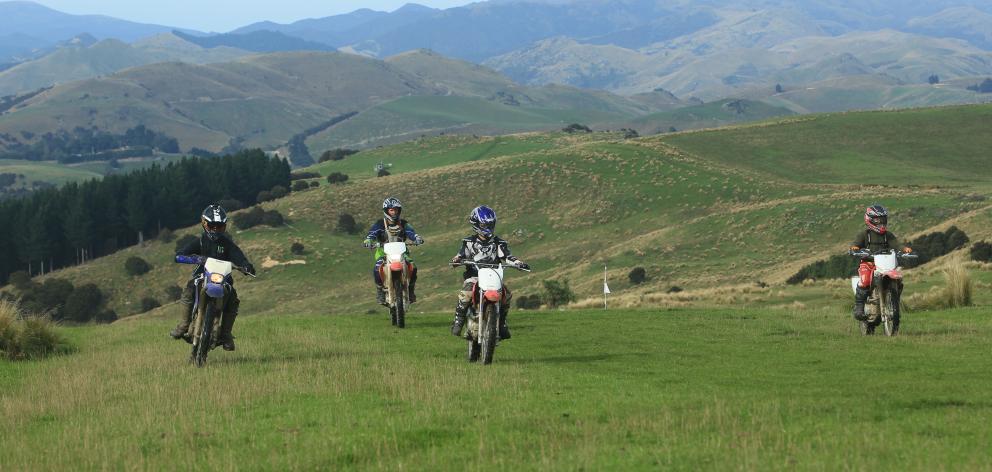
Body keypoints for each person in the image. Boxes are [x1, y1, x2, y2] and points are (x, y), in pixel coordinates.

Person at [170, 204, 255, 351]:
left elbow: (240, 258)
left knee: (233, 301)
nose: (216, 229)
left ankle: (226, 334)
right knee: (188, 292)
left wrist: (246, 266)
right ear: (204, 223)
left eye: (220, 226)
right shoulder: (201, 241)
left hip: (224, 280)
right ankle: (184, 324)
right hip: (201, 276)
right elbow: (180, 255)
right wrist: (195, 259)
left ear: (225, 226)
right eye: (212, 225)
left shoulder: (228, 244)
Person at [449, 205, 529, 339]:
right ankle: (459, 320)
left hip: (493, 276)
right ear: (476, 223)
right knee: (466, 293)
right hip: (475, 276)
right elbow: (461, 255)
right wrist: (457, 259)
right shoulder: (468, 242)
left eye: (490, 224)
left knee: (506, 294)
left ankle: (502, 323)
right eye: (484, 224)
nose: (488, 227)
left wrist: (518, 263)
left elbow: (507, 257)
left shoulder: (498, 243)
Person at [849, 204, 912, 328]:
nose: (881, 222)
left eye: (883, 219)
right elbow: (855, 245)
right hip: (868, 263)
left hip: (885, 264)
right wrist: (855, 248)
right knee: (865, 280)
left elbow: (896, 245)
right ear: (870, 219)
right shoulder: (864, 234)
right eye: (878, 219)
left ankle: (893, 300)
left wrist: (904, 249)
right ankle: (859, 308)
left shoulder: (888, 235)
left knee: (898, 278)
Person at [363, 197, 424, 305]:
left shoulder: (404, 223)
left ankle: (410, 290)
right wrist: (368, 240)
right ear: (386, 211)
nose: (394, 212)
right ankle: (380, 290)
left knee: (413, 267)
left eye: (396, 209)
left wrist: (417, 238)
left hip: (402, 252)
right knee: (377, 268)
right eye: (391, 210)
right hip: (383, 252)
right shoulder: (380, 224)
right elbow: (372, 233)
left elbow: (411, 232)